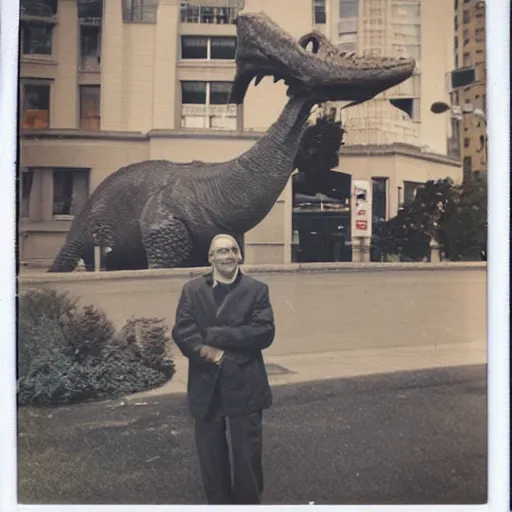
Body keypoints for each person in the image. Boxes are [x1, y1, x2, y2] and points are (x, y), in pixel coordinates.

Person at [171, 234, 275, 505]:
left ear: (239, 255)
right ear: (211, 258)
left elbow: (263, 332)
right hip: (207, 385)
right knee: (211, 459)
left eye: (232, 250)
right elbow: (183, 331)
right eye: (221, 251)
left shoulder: (257, 289)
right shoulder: (192, 290)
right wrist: (209, 352)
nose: (227, 256)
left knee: (247, 457)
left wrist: (217, 335)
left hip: (246, 384)